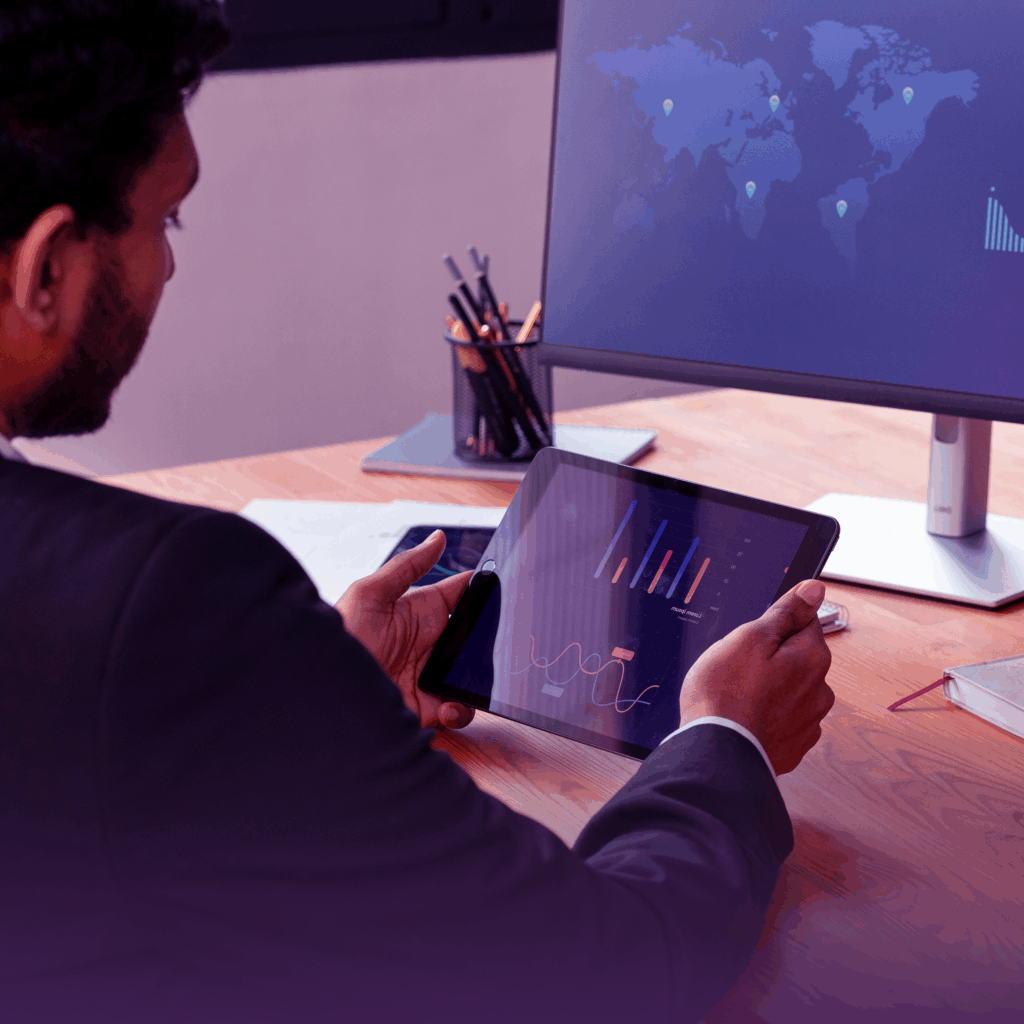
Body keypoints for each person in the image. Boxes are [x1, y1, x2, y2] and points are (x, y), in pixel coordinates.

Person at [0, 3, 835, 1022]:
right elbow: (602, 974)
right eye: (163, 221)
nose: (168, 265)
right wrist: (724, 738)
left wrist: (311, 703)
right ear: (47, 266)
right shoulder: (167, 601)